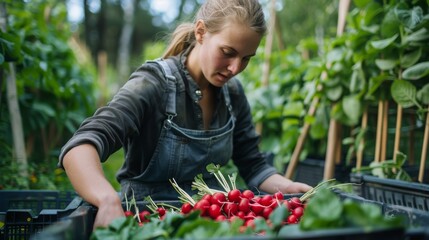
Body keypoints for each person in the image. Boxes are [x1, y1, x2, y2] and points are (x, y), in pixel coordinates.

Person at [59, 0, 312, 228]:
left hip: (213, 224)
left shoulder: (232, 93)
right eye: (228, 52)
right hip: (149, 223)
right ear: (201, 32)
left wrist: (289, 188)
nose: (236, 68)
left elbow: (253, 164)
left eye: (246, 58)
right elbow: (80, 147)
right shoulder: (153, 84)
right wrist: (106, 199)